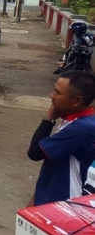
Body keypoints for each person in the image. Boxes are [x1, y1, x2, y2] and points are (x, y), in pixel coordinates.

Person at [27, 70, 95, 206]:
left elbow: (34, 153)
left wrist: (48, 118)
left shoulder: (80, 129)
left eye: (57, 92)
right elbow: (56, 164)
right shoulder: (79, 120)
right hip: (52, 198)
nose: (51, 96)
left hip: (66, 206)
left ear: (76, 101)